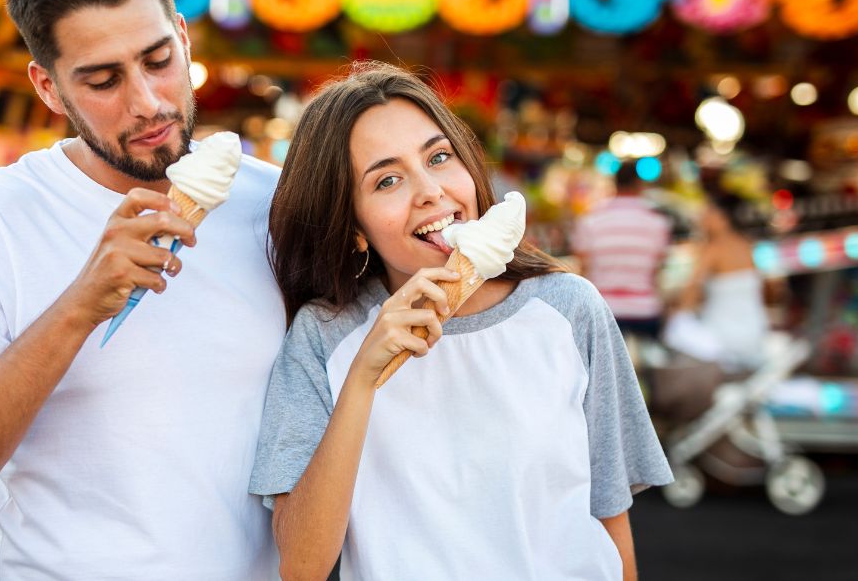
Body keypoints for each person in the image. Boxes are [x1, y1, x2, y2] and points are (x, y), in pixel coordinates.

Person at [0, 0, 285, 578]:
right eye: (103, 81)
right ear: (49, 88)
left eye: (158, 61)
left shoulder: (277, 205)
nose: (148, 103)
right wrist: (80, 304)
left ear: (182, 36)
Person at [250, 62, 672, 580]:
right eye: (387, 180)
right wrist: (363, 377)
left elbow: (608, 521)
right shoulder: (326, 335)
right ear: (354, 227)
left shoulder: (568, 309)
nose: (430, 190)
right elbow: (302, 566)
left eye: (439, 157)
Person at [663, 192, 770, 372]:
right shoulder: (747, 245)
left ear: (722, 218)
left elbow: (692, 289)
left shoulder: (713, 249)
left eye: (708, 212)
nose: (702, 217)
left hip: (724, 338)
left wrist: (677, 316)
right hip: (756, 335)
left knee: (675, 331)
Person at [573, 160, 672, 338]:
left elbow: (583, 270)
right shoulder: (657, 223)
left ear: (614, 184)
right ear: (639, 185)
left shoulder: (591, 220)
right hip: (645, 312)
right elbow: (657, 271)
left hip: (602, 310)